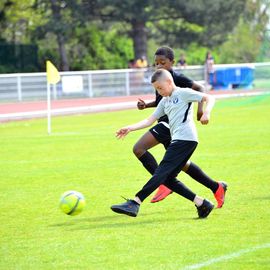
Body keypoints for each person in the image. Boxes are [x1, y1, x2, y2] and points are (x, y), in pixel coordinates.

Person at [111, 69, 216, 218]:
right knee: (167, 179)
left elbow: (209, 98)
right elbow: (149, 120)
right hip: (178, 140)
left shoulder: (183, 93)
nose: (158, 92)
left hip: (186, 139)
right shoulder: (165, 101)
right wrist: (130, 128)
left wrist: (207, 112)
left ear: (169, 82)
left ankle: (136, 202)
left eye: (160, 88)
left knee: (161, 172)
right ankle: (202, 204)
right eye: (156, 89)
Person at [135, 46, 227, 207]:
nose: (159, 66)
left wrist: (200, 111)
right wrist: (146, 105)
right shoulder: (160, 79)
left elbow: (200, 89)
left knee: (139, 148)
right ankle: (216, 186)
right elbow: (161, 103)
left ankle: (163, 183)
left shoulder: (176, 78)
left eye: (163, 62)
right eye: (156, 63)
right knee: (183, 164)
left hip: (169, 124)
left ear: (172, 62)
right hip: (169, 125)